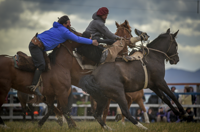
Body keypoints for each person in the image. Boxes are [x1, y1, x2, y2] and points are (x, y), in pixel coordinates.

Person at [27, 15, 99, 97]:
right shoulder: (64, 32)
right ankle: (34, 86)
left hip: (37, 45)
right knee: (41, 65)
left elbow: (53, 38)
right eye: (69, 23)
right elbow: (77, 39)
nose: (70, 25)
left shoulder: (57, 28)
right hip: (36, 46)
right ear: (65, 24)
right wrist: (91, 42)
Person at [84, 7, 149, 62]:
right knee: (119, 42)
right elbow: (108, 34)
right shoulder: (98, 23)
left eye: (107, 15)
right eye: (104, 15)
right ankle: (140, 38)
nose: (106, 17)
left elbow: (105, 35)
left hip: (95, 39)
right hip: (93, 39)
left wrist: (115, 39)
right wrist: (120, 38)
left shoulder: (97, 22)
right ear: (100, 15)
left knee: (113, 41)